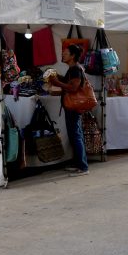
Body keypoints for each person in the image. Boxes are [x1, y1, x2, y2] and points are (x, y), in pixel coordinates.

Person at [48, 44, 89, 177]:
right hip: (70, 106)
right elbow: (68, 83)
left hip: (73, 107)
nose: (63, 54)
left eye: (65, 53)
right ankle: (78, 164)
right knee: (75, 135)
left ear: (72, 56)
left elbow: (73, 88)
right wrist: (55, 75)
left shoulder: (76, 69)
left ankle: (83, 167)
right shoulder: (72, 69)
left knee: (76, 135)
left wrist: (56, 82)